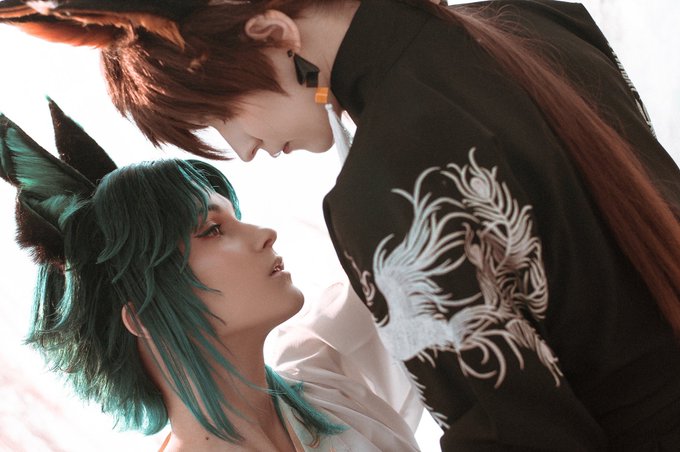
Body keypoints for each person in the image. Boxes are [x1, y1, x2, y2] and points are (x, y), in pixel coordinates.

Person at [2, 0, 680, 449]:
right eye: (211, 229)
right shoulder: (537, 17)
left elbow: (525, 435)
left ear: (273, 33)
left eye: (220, 114)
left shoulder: (382, 200)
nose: (242, 149)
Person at [0, 100, 421, 451]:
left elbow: (405, 231)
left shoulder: (328, 378)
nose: (265, 234)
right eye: (213, 230)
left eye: (235, 218)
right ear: (143, 316)